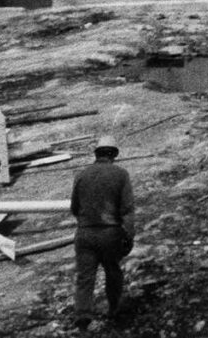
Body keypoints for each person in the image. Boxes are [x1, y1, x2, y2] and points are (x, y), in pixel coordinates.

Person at [70, 137, 136, 324]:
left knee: (85, 276)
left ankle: (83, 314)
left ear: (96, 154)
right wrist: (128, 235)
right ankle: (114, 309)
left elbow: (74, 207)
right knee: (113, 272)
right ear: (114, 154)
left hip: (84, 233)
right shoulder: (121, 174)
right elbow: (127, 209)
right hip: (110, 233)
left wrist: (86, 221)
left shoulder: (81, 175)